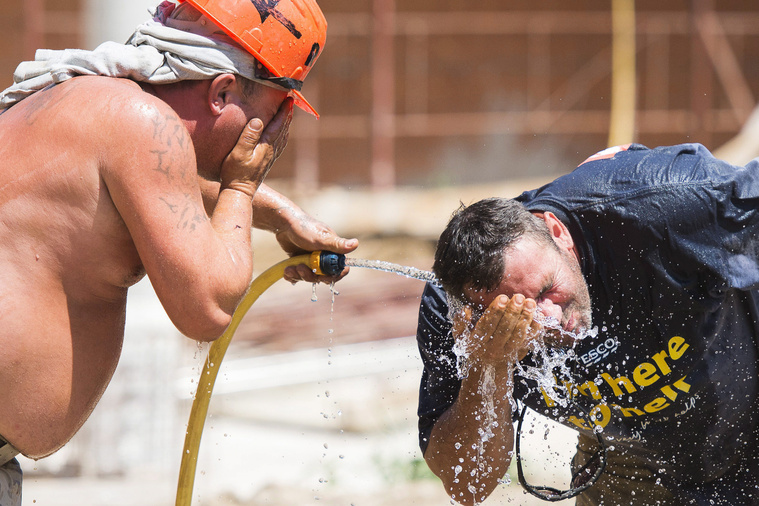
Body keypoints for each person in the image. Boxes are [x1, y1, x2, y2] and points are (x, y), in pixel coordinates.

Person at [0, 0, 357, 503]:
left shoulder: (91, 101)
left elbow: (156, 181)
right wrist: (242, 186)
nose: (276, 138)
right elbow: (208, 309)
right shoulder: (143, 123)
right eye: (277, 114)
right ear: (224, 92)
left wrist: (276, 212)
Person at [416, 142, 759, 506]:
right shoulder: (455, 312)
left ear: (557, 233)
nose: (548, 317)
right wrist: (489, 367)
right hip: (627, 462)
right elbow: (467, 483)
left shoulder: (663, 205)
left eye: (548, 289)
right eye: (521, 313)